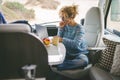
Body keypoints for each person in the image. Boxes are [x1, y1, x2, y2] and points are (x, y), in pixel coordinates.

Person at [53, 5, 89, 70]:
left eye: (64, 17)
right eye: (61, 17)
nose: (62, 19)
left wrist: (61, 39)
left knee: (84, 61)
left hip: (78, 54)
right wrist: (60, 28)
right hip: (66, 53)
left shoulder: (79, 28)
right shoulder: (64, 26)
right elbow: (58, 40)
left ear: (71, 17)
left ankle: (60, 65)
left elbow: (75, 44)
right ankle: (62, 64)